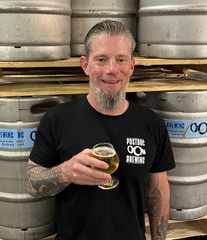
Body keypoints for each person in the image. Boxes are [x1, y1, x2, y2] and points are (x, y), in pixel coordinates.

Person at [26, 20, 175, 240]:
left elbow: (157, 191)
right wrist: (65, 172)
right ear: (85, 65)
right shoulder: (57, 119)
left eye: (121, 59)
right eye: (101, 59)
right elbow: (31, 183)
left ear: (132, 66)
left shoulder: (151, 123)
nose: (112, 69)